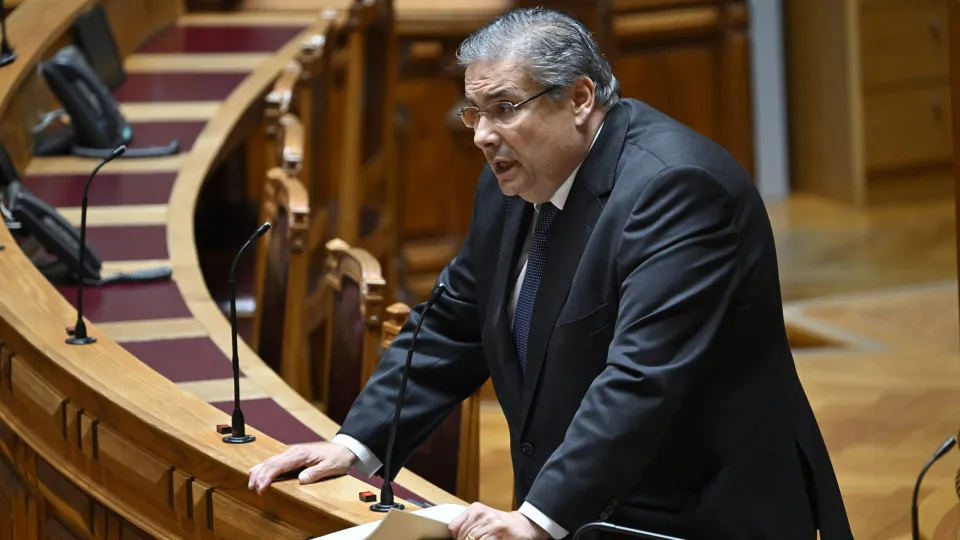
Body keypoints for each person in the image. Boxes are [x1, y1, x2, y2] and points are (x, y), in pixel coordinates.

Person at [248, 7, 853, 540]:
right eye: (475, 113)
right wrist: (353, 446)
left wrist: (538, 518)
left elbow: (640, 378)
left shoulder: (676, 191)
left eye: (505, 109)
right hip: (591, 507)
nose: (482, 136)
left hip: (692, 515)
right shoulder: (511, 182)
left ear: (580, 98)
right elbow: (452, 325)